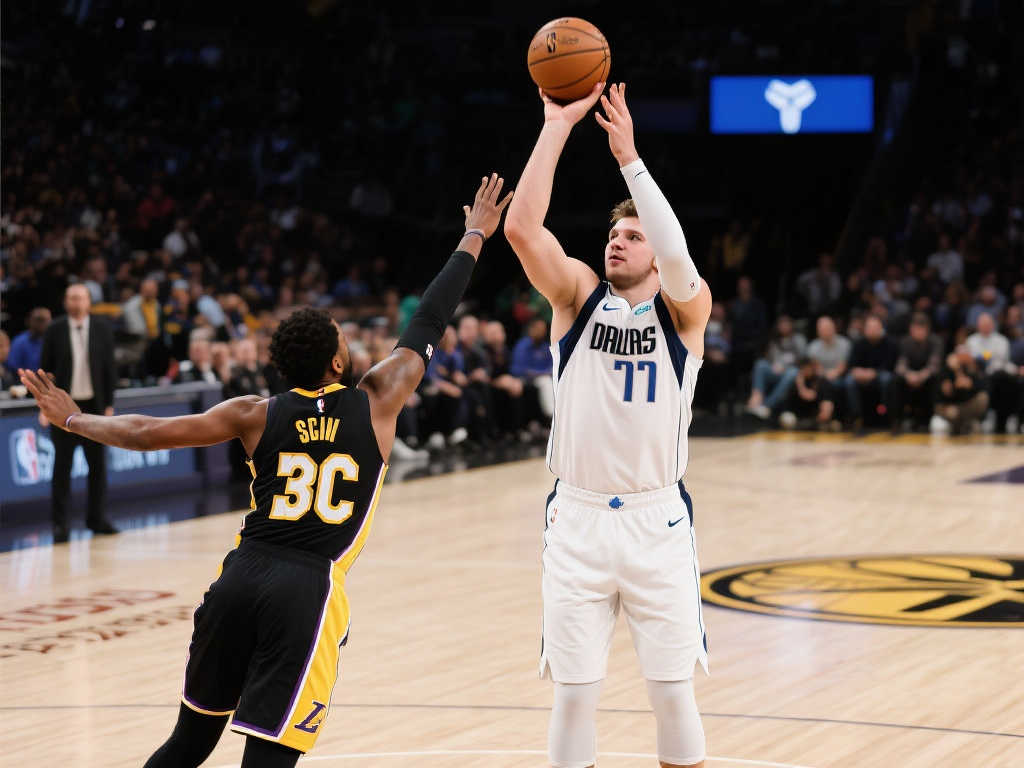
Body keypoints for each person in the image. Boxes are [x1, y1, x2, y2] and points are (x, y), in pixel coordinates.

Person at [19, 172, 512, 768]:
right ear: (338, 362)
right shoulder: (379, 398)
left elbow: (147, 432)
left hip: (241, 576)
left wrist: (74, 419)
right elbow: (430, 319)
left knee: (188, 743)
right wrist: (474, 237)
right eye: (342, 338)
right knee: (268, 759)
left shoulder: (254, 414)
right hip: (308, 589)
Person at [504, 81, 712, 768]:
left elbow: (678, 258)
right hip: (579, 519)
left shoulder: (685, 313)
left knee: (672, 694)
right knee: (573, 696)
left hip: (657, 522)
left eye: (633, 236)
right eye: (613, 234)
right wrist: (556, 124)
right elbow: (521, 230)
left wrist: (629, 159)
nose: (617, 243)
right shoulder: (576, 298)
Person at [39, 283, 119, 543]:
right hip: (64, 408)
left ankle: (97, 519)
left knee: (98, 467)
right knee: (62, 468)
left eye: (80, 298)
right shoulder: (55, 329)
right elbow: (45, 371)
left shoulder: (102, 328)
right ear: (66, 302)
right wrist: (45, 406)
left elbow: (109, 369)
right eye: (72, 298)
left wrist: (109, 404)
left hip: (94, 407)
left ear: (88, 301)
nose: (76, 302)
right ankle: (60, 525)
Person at [842, 314, 898, 431]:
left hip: (880, 374)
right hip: (861, 375)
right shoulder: (858, 343)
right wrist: (859, 372)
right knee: (849, 381)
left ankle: (886, 414)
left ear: (881, 329)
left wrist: (874, 372)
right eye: (869, 328)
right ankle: (856, 416)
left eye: (875, 328)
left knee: (887, 379)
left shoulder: (890, 343)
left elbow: (890, 365)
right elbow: (852, 365)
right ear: (865, 329)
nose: (872, 330)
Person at [745, 314, 806, 419]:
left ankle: (765, 405)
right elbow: (770, 359)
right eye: (781, 325)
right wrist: (774, 366)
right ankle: (756, 396)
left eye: (786, 324)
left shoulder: (799, 339)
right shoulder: (774, 341)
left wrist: (785, 367)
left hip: (791, 372)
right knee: (760, 364)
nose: (784, 327)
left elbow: (803, 360)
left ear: (791, 325)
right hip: (775, 371)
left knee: (792, 372)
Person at [890, 312, 942, 432]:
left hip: (927, 377)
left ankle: (928, 419)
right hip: (910, 377)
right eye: (915, 329)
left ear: (927, 329)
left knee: (936, 380)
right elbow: (900, 364)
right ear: (911, 329)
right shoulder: (905, 342)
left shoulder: (935, 341)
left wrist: (921, 376)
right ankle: (897, 419)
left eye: (921, 329)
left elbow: (934, 365)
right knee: (895, 381)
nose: (918, 332)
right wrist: (909, 375)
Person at [7, 307, 52, 373]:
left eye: (47, 320)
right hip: (24, 378)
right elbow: (13, 367)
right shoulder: (19, 342)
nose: (43, 323)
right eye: (39, 320)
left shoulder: (54, 340)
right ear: (29, 321)